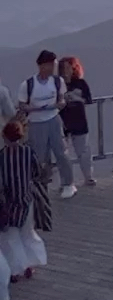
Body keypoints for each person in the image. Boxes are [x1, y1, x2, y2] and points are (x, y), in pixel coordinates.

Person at [20, 51, 74, 199]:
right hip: (36, 122)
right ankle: (39, 184)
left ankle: (68, 184)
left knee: (61, 152)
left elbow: (62, 99)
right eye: (52, 65)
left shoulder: (57, 82)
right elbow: (22, 105)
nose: (54, 68)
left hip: (53, 119)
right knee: (39, 157)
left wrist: (59, 105)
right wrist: (33, 109)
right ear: (43, 65)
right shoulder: (28, 84)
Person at [0, 122, 46, 285]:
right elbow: (37, 172)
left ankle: (15, 269)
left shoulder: (1, 156)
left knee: (10, 238)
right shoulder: (28, 152)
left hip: (9, 203)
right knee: (28, 233)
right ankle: (29, 265)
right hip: (26, 199)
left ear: (4, 137)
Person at [56, 57, 94, 190]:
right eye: (62, 68)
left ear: (74, 68)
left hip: (79, 121)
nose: (65, 71)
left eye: (68, 67)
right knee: (63, 153)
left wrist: (75, 97)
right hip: (63, 122)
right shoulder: (57, 84)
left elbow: (88, 100)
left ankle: (88, 177)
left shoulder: (81, 83)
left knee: (83, 151)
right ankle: (66, 181)